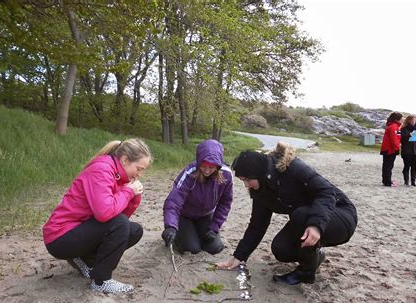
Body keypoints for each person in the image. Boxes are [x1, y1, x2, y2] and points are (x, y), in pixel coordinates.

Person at [216, 142, 357, 285]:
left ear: (257, 172)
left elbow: (327, 192)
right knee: (281, 249)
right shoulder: (260, 189)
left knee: (300, 215)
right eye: (242, 181)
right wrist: (238, 257)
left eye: (247, 179)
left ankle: (306, 273)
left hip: (340, 215)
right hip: (309, 218)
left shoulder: (293, 168)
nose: (246, 185)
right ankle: (316, 255)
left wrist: (315, 225)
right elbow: (257, 226)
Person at [43, 139, 152, 294]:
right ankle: (101, 281)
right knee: (121, 224)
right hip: (59, 236)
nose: (140, 174)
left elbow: (120, 218)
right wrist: (128, 192)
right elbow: (105, 214)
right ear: (125, 160)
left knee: (133, 230)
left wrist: (134, 196)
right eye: (139, 168)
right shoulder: (101, 170)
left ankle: (84, 260)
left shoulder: (119, 176)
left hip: (78, 229)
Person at [162, 139, 233, 255]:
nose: (207, 171)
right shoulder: (190, 172)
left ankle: (195, 233)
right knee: (192, 249)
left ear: (218, 166)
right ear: (199, 162)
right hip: (184, 216)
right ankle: (181, 235)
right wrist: (170, 226)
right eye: (204, 166)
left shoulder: (226, 175)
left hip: (206, 215)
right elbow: (173, 201)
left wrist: (215, 227)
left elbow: (225, 203)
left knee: (214, 248)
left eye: (211, 167)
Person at [400, 115, 416, 186]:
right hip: (407, 151)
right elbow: (401, 140)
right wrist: (409, 135)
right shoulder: (403, 128)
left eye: (415, 120)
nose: (414, 122)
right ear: (408, 120)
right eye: (412, 120)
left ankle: (413, 182)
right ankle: (406, 182)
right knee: (407, 166)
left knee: (414, 167)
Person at [380, 111, 403, 187]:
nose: (402, 120)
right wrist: (397, 148)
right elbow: (394, 139)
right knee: (388, 166)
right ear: (397, 119)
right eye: (401, 118)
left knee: (388, 165)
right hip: (389, 149)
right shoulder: (393, 126)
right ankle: (387, 182)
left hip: (388, 148)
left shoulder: (396, 126)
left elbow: (398, 137)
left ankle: (386, 180)